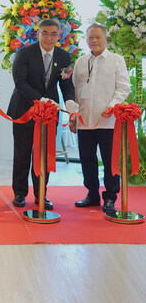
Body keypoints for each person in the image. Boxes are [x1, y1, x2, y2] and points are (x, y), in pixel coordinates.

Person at [7, 18, 77, 209]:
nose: (49, 38)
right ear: (37, 34)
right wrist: (41, 100)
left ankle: (41, 194)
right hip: (24, 110)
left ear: (59, 36)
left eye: (53, 34)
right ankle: (20, 193)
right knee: (22, 154)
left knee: (44, 155)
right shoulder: (24, 53)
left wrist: (70, 102)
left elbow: (66, 83)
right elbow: (20, 82)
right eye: (45, 33)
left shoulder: (64, 56)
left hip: (49, 115)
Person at [70, 23, 130, 212]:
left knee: (110, 161)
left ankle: (110, 197)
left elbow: (124, 87)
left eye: (98, 37)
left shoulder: (116, 60)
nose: (94, 41)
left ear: (105, 39)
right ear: (86, 39)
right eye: (90, 37)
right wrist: (73, 115)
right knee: (87, 159)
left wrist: (113, 106)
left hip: (108, 121)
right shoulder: (80, 61)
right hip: (84, 120)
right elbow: (75, 90)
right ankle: (92, 194)